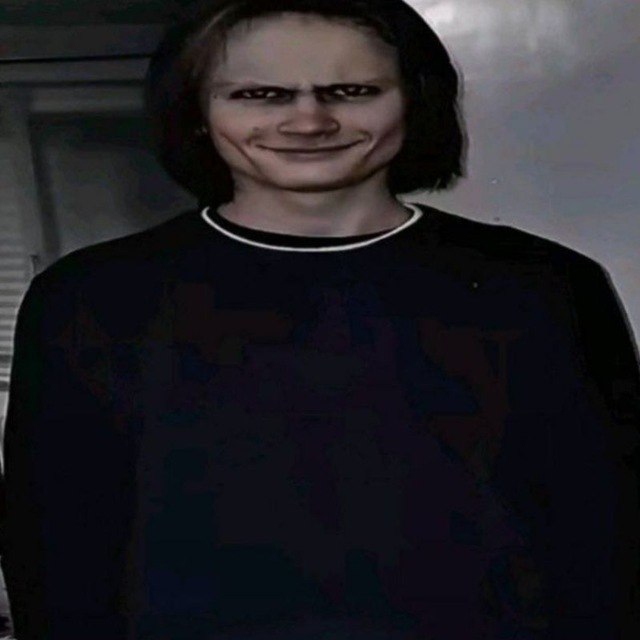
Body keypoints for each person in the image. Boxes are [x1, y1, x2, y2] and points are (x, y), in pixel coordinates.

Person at [1, 0, 639, 638]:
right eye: (260, 94)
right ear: (197, 111)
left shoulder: (543, 286)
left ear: (415, 100)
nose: (308, 120)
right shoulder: (89, 298)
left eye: (352, 91)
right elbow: (57, 554)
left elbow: (608, 535)